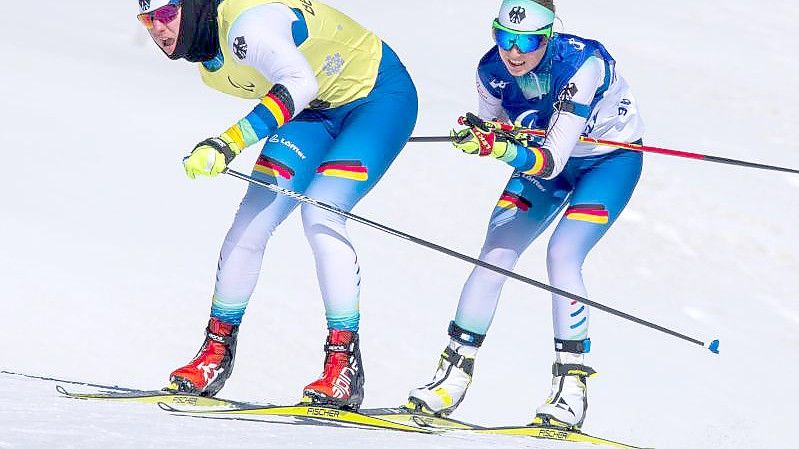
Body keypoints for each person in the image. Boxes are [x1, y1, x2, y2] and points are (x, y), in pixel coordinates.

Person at [136, 0, 417, 410]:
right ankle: (215, 353)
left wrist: (228, 142)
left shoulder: (247, 26)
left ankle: (344, 366)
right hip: (316, 112)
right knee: (248, 225)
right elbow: (299, 92)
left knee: (321, 211)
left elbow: (299, 83)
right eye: (148, 19)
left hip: (378, 97)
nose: (157, 29)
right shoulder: (209, 67)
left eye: (165, 13)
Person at [406, 0, 644, 430]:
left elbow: (551, 159)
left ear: (549, 36)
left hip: (607, 163)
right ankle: (452, 375)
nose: (514, 53)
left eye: (528, 41)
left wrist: (497, 146)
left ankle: (571, 388)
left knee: (563, 254)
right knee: (495, 251)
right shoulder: (490, 71)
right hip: (546, 161)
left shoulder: (581, 66)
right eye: (504, 38)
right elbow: (492, 124)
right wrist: (479, 132)